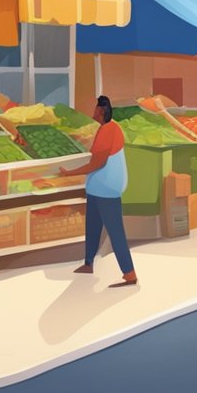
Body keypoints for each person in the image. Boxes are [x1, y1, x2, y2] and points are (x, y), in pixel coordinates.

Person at [62, 96, 137, 288]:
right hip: (96, 188)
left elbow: (97, 162)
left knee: (115, 231)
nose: (93, 113)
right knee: (93, 226)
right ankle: (88, 263)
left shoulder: (109, 130)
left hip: (107, 189)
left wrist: (70, 173)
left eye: (95, 110)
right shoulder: (105, 129)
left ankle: (129, 274)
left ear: (102, 112)